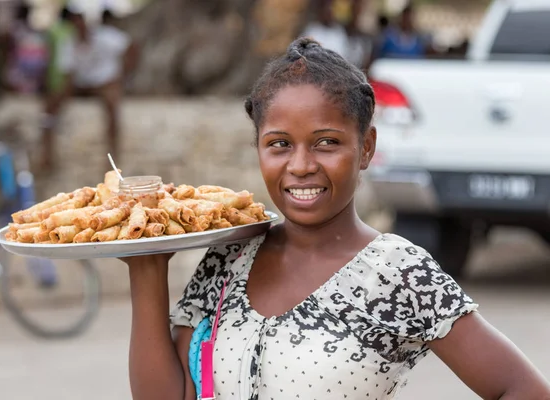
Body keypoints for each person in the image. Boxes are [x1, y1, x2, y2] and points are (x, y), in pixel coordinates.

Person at [122, 38, 550, 399]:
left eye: (326, 142)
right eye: (279, 144)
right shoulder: (230, 254)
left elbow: (520, 388)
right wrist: (146, 266)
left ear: (366, 147)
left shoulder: (398, 273)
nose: (302, 165)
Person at [41, 8, 138, 169]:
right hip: (81, 84)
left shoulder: (106, 36)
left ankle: (112, 155)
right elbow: (68, 72)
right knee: (50, 106)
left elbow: (132, 47)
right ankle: (47, 153)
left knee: (111, 104)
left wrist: (122, 76)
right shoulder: (69, 42)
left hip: (104, 82)